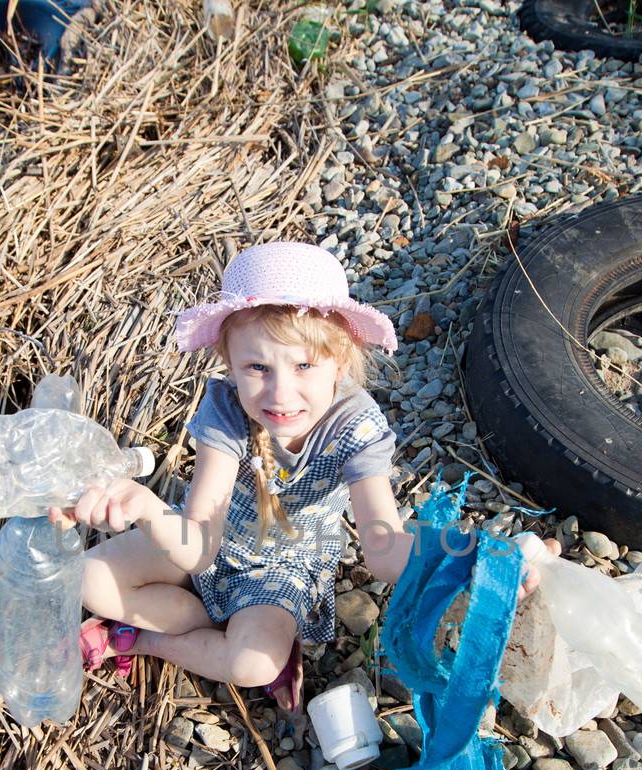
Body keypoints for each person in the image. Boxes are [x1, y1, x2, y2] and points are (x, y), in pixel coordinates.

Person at [50, 241, 542, 715]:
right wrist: (145, 507)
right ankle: (202, 623)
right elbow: (198, 545)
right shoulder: (225, 410)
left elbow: (385, 545)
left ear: (340, 359)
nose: (280, 394)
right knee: (85, 577)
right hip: (210, 543)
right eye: (257, 367)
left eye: (304, 365)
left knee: (251, 662)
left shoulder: (356, 426)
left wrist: (475, 559)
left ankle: (148, 640)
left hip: (282, 568)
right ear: (229, 363)